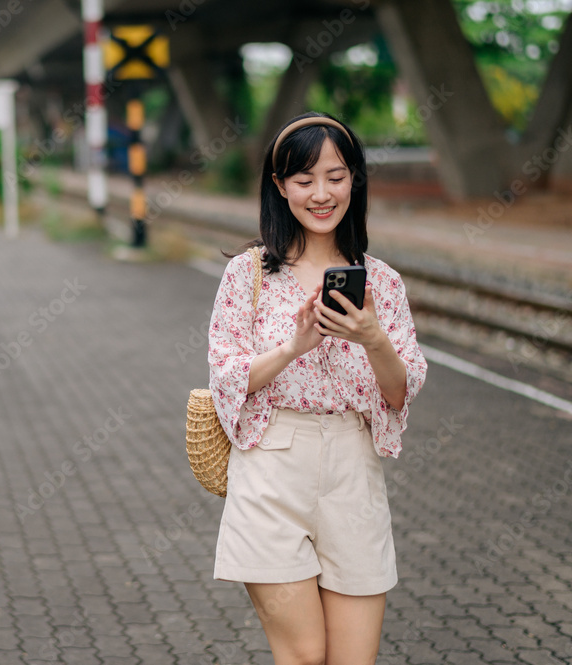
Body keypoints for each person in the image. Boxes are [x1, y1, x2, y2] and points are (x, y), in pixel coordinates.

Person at [207, 111, 428, 665]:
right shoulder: (249, 275)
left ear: (355, 179)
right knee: (304, 655)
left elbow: (399, 395)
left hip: (353, 470)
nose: (321, 193)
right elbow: (226, 379)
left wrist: (374, 336)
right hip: (271, 466)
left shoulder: (381, 282)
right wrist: (291, 349)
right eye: (304, 180)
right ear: (280, 188)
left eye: (335, 176)